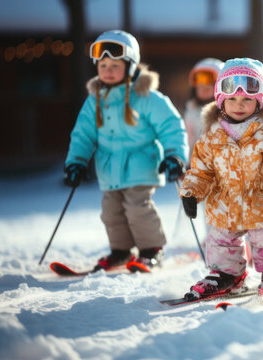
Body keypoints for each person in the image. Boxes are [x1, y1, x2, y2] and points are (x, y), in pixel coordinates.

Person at [63, 30, 188, 271]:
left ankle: (151, 250)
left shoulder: (147, 97)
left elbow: (171, 126)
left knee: (137, 208)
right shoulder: (94, 101)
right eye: (103, 65)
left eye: (115, 65)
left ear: (130, 66)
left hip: (141, 166)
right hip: (109, 170)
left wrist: (175, 156)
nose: (107, 70)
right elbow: (83, 135)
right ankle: (120, 251)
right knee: (111, 213)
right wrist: (76, 162)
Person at [179, 58, 263, 300]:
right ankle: (226, 273)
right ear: (221, 100)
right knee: (220, 239)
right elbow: (201, 170)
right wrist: (191, 192)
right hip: (224, 202)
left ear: (260, 99)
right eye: (231, 99)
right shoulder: (211, 134)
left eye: (246, 99)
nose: (239, 105)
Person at [184, 58, 224, 160]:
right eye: (200, 86)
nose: (203, 88)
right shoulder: (191, 111)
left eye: (208, 86)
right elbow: (187, 142)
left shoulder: (229, 112)